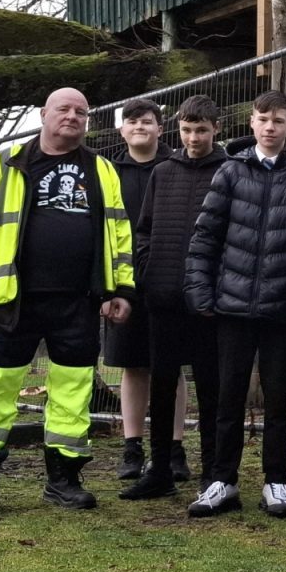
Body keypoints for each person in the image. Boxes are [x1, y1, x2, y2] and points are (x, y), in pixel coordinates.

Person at [0, 87, 135, 517]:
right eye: (64, 109)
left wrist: (120, 289)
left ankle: (64, 481)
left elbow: (119, 232)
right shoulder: (5, 163)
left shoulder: (101, 169)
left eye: (81, 112)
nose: (72, 116)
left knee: (73, 392)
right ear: (43, 114)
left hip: (78, 302)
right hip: (12, 300)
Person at [186, 90, 286, 518]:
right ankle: (222, 481)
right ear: (251, 122)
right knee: (227, 398)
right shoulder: (229, 173)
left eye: (278, 121)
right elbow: (205, 237)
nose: (270, 127)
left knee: (278, 400)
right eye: (263, 119)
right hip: (231, 307)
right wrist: (200, 291)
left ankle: (276, 482)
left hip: (282, 311)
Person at [119, 95, 228, 510]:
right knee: (161, 385)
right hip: (162, 298)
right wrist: (149, 271)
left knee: (212, 389)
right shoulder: (163, 172)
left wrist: (218, 284)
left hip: (209, 303)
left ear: (216, 129)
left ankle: (213, 473)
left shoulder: (229, 171)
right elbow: (144, 230)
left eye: (201, 130)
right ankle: (160, 470)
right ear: (178, 130)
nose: (193, 138)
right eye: (186, 130)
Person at [103, 98, 191, 484]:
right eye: (133, 121)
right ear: (121, 130)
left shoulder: (177, 166)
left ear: (161, 128)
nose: (140, 126)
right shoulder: (108, 173)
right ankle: (132, 447)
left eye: (148, 121)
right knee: (132, 366)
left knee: (172, 367)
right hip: (123, 286)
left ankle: (174, 448)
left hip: (170, 282)